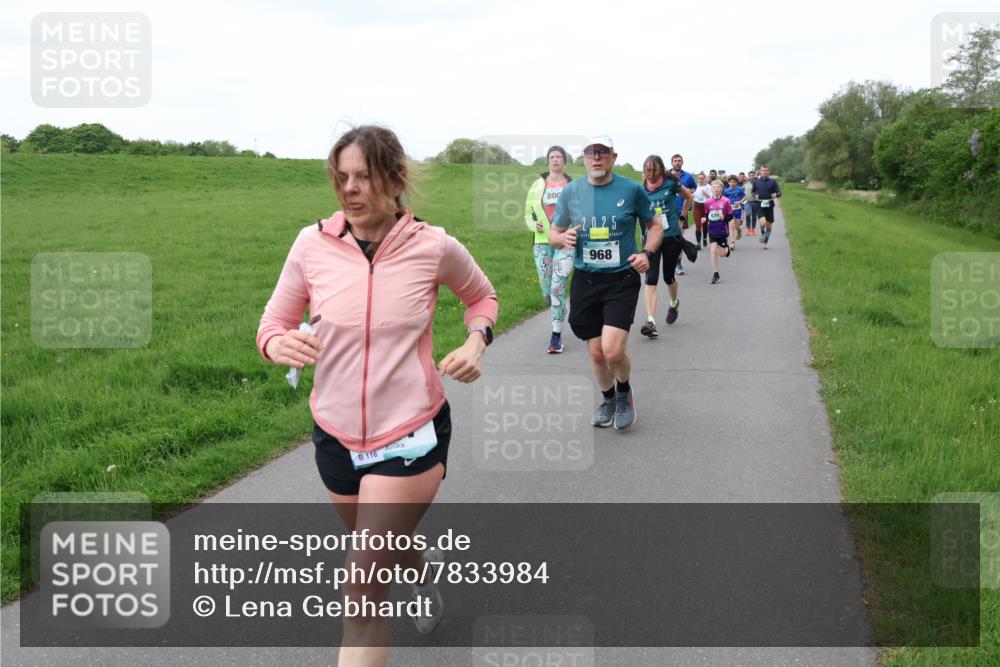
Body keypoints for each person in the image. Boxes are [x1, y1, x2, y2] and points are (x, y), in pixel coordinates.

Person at [256, 125, 499, 667]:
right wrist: (278, 344)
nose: (349, 188)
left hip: (410, 435)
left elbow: (482, 297)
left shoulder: (433, 246)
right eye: (340, 177)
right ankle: (419, 565)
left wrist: (476, 342)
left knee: (361, 592)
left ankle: (401, 566)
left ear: (396, 179)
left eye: (363, 176)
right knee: (384, 548)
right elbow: (271, 323)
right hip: (336, 437)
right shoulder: (311, 244)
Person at [549, 135, 661, 431]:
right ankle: (608, 398)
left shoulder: (631, 189)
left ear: (613, 157)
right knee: (596, 353)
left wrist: (647, 253)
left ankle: (624, 392)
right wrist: (562, 238)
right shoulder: (571, 192)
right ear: (584, 159)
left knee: (612, 351)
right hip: (586, 280)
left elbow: (654, 225)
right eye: (590, 152)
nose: (596, 157)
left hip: (621, 279)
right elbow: (554, 233)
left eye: (602, 152)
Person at [525, 146, 574, 353]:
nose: (555, 160)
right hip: (542, 242)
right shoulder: (537, 185)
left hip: (565, 241)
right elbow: (528, 212)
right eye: (552, 157)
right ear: (548, 161)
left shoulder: (572, 185)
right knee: (547, 292)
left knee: (557, 288)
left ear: (564, 161)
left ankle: (556, 335)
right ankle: (559, 307)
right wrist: (532, 224)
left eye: (559, 156)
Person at [638, 155, 692, 338]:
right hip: (651, 240)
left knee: (668, 277)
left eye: (654, 170)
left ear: (661, 169)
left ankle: (674, 302)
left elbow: (688, 197)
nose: (651, 174)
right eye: (647, 171)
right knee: (650, 279)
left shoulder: (671, 184)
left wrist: (683, 217)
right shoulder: (640, 190)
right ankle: (651, 321)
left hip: (671, 237)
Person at [701, 179, 733, 284]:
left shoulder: (726, 201)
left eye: (718, 187)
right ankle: (716, 274)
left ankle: (726, 248)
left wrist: (724, 217)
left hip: (723, 230)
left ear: (722, 189)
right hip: (712, 230)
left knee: (722, 254)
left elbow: (730, 215)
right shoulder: (707, 202)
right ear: (712, 189)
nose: (716, 189)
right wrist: (704, 219)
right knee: (713, 251)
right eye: (714, 187)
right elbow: (706, 214)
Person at [670, 154, 697, 275]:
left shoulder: (688, 176)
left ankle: (678, 262)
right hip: (667, 211)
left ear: (682, 162)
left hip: (682, 210)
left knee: (678, 237)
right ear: (671, 162)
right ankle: (669, 259)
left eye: (679, 161)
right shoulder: (665, 175)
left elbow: (693, 189)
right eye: (675, 161)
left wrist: (685, 190)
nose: (677, 162)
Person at [752, 164, 782, 250]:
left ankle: (766, 242)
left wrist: (776, 194)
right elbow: (753, 192)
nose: (764, 172)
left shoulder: (773, 182)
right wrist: (755, 195)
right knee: (763, 223)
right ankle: (762, 233)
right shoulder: (756, 181)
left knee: (769, 226)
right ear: (760, 171)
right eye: (763, 170)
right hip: (760, 205)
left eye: (766, 170)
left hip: (769, 205)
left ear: (768, 171)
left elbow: (779, 193)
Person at [722, 176, 746, 250]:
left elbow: (745, 197)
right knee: (731, 226)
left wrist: (740, 202)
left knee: (736, 226)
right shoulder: (726, 191)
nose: (732, 184)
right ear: (728, 183)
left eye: (734, 182)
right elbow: (723, 199)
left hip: (738, 210)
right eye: (731, 182)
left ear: (736, 182)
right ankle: (733, 243)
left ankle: (739, 231)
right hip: (729, 210)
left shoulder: (740, 189)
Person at [691, 171, 713, 247]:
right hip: (697, 206)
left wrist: (706, 193)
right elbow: (690, 196)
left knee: (705, 225)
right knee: (698, 225)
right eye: (699, 178)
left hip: (706, 207)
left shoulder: (708, 187)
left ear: (705, 179)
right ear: (697, 179)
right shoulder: (695, 187)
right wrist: (691, 195)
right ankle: (698, 243)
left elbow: (712, 198)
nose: (701, 180)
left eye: (702, 178)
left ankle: (704, 239)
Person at [744, 169, 759, 236]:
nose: (751, 177)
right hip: (747, 202)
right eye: (750, 176)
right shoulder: (745, 185)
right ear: (748, 177)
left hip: (755, 202)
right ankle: (748, 229)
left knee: (754, 216)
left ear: (754, 176)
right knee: (747, 214)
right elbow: (742, 192)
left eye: (752, 175)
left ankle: (753, 229)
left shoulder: (758, 184)